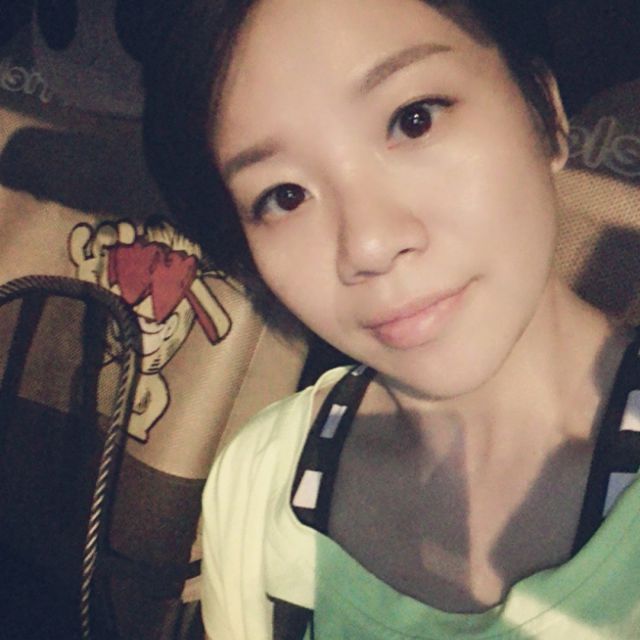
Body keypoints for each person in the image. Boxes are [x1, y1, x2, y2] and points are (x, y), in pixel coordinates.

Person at [143, 0, 640, 637]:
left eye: (414, 120)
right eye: (284, 196)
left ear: (545, 114)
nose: (368, 245)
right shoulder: (262, 481)